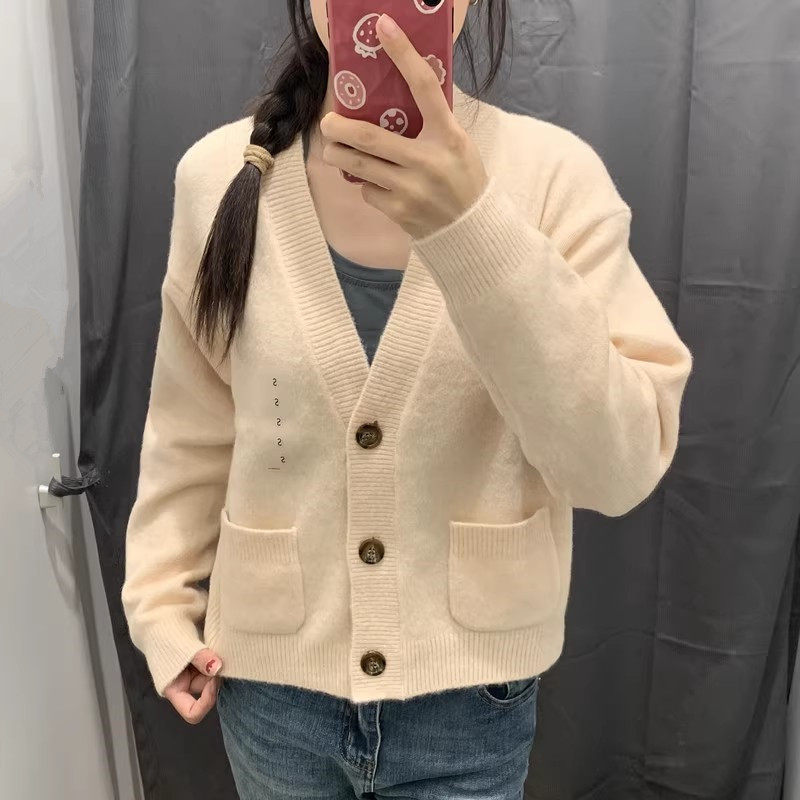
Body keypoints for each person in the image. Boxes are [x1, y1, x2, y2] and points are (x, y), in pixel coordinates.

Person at [121, 0, 694, 797]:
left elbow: (619, 467)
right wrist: (160, 604)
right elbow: (191, 426)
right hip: (269, 688)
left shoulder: (551, 177)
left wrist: (473, 228)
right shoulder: (219, 174)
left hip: (470, 703)